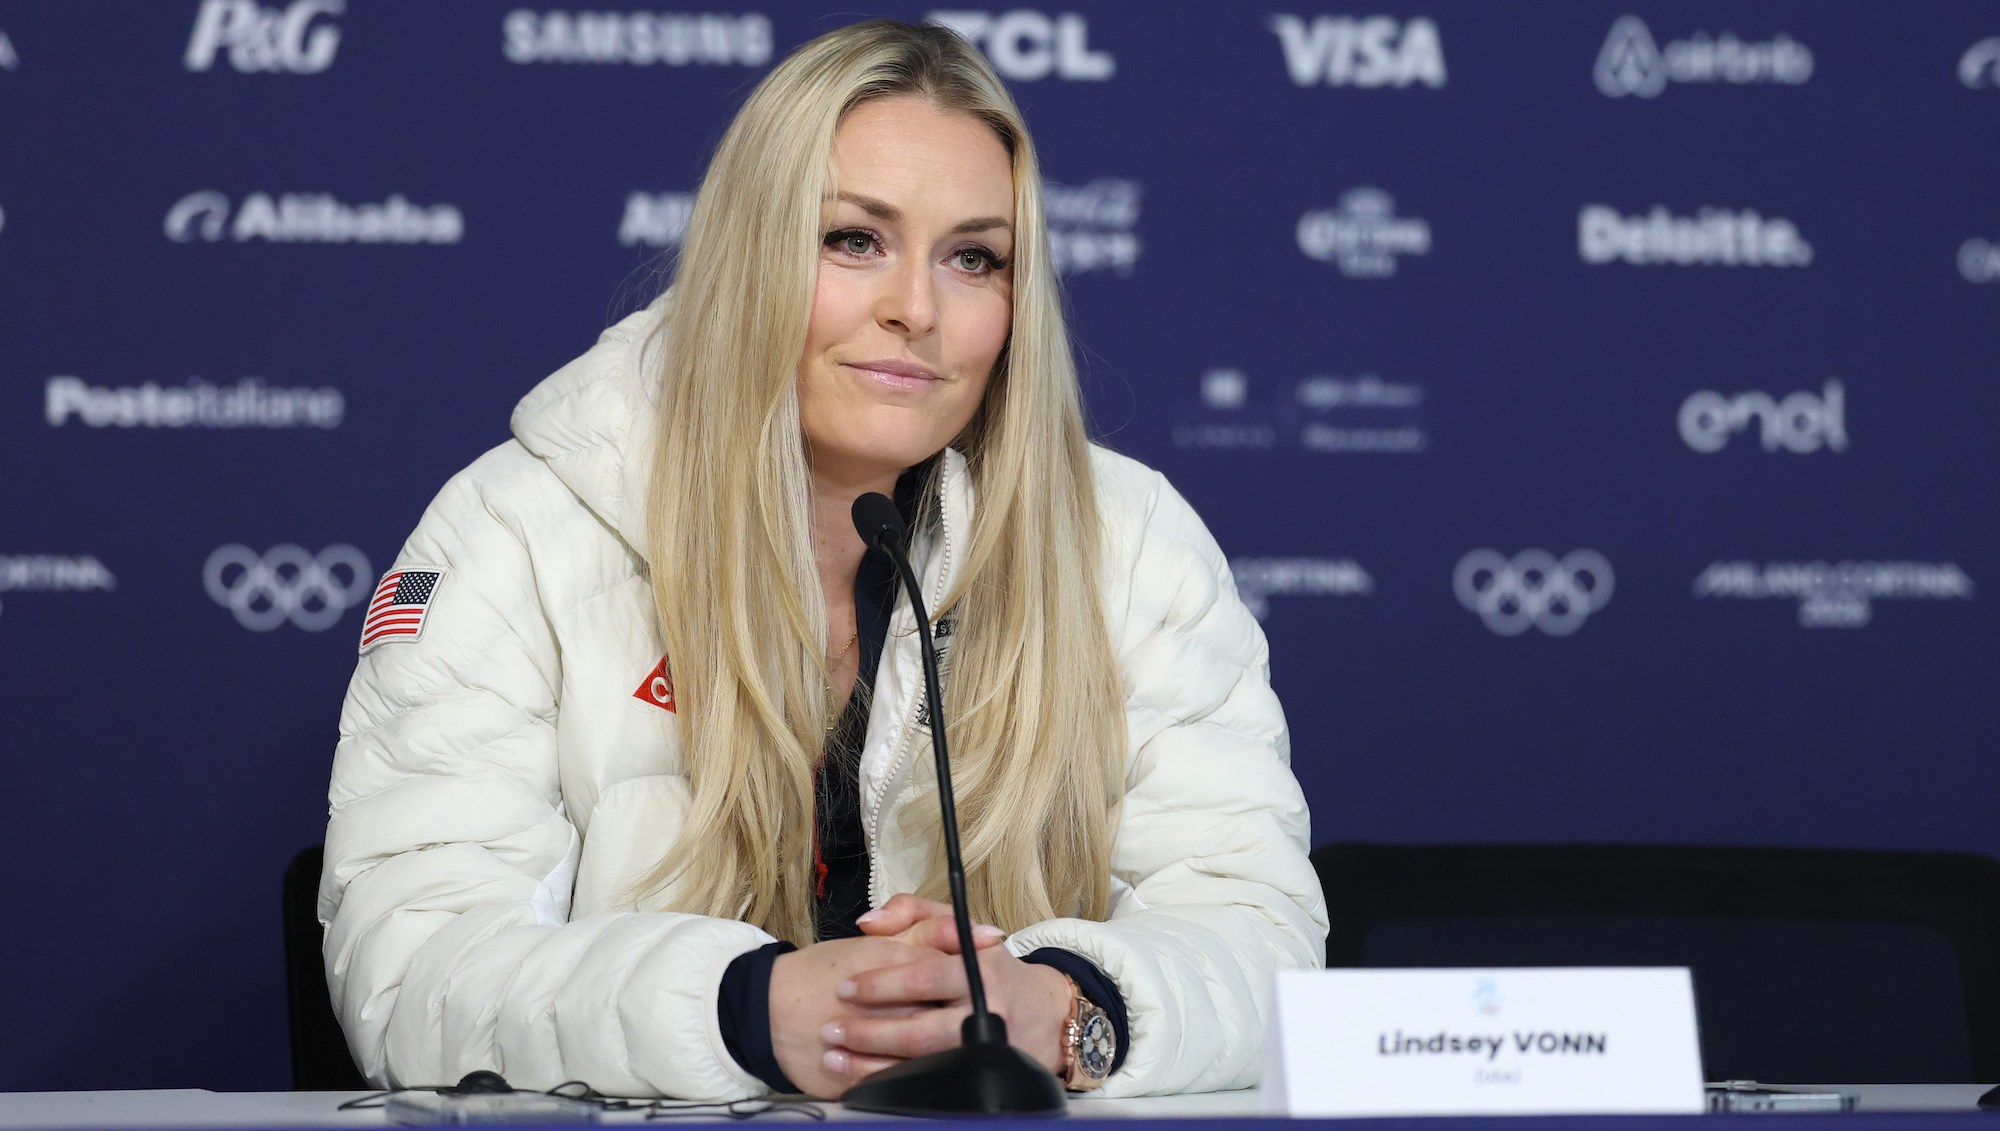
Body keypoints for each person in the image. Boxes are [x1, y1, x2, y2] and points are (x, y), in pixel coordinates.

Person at [319, 19, 1325, 1102]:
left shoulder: (1132, 546)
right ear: (749, 253)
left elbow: (1258, 939)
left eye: (973, 258)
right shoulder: (514, 530)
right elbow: (413, 972)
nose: (916, 310)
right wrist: (746, 1013)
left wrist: (1069, 1009)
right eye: (853, 240)